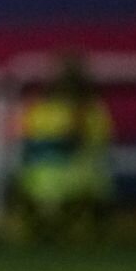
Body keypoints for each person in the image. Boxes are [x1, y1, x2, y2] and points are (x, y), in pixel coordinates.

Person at [13, 54, 114, 244]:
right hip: (64, 180)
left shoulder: (89, 111)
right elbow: (27, 140)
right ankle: (52, 225)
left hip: (70, 180)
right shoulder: (91, 110)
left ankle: (58, 225)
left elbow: (27, 142)